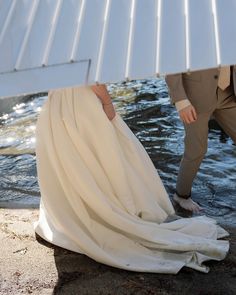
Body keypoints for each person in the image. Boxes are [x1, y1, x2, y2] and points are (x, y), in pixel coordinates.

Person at [34, 85, 229, 274]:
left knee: (76, 165)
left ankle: (78, 210)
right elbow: (91, 75)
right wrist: (108, 103)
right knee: (109, 159)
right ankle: (114, 208)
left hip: (55, 106)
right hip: (82, 104)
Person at [166, 66, 236, 212]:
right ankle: (181, 195)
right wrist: (180, 100)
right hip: (195, 97)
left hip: (229, 93)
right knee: (196, 149)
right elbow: (172, 61)